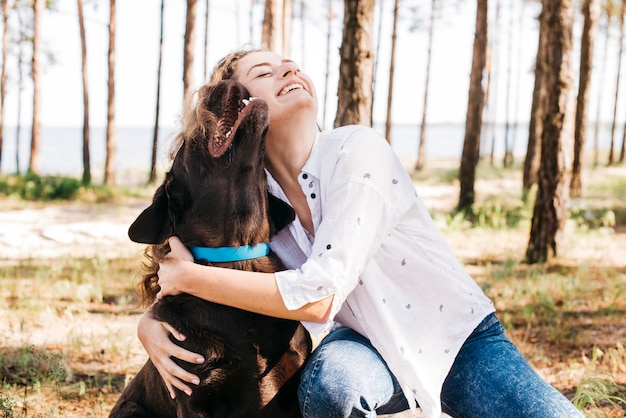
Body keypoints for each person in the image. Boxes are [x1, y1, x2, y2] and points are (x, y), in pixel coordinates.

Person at [137, 48, 583, 418]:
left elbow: (320, 296)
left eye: (290, 65)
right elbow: (200, 260)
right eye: (264, 72)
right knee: (334, 385)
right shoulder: (255, 198)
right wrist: (148, 325)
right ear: (238, 106)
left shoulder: (357, 150)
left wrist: (189, 279)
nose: (289, 70)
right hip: (364, 345)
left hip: (454, 338)